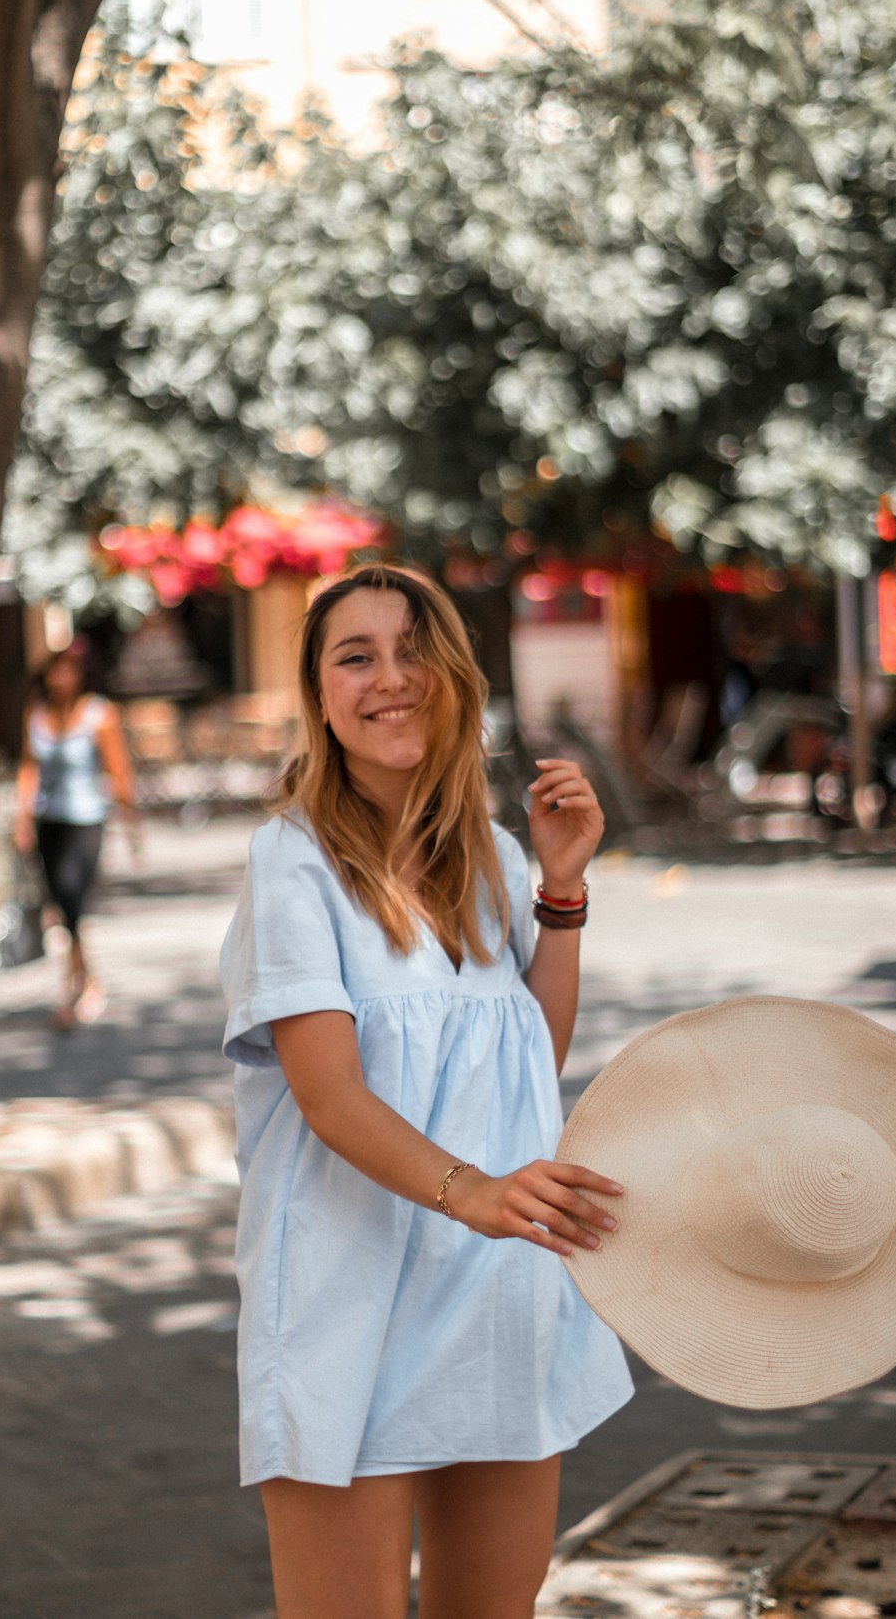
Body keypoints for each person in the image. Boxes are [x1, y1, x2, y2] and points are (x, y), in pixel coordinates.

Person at [220, 563, 633, 1619]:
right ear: (319, 696)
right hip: (347, 1304)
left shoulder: (492, 858)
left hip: (495, 1304)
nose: (391, 678)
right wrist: (481, 1194)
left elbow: (522, 1059)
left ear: (454, 678)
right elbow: (329, 1095)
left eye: (415, 652)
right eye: (355, 657)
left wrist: (563, 893)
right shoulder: (294, 861)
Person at [15, 637, 140, 1028]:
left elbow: (119, 769)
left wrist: (130, 819)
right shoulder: (37, 714)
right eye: (55, 670)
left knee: (72, 897)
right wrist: (22, 817)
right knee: (59, 902)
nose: (60, 678)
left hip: (86, 819)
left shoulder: (98, 715)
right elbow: (29, 766)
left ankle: (76, 983)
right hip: (48, 819)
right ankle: (82, 976)